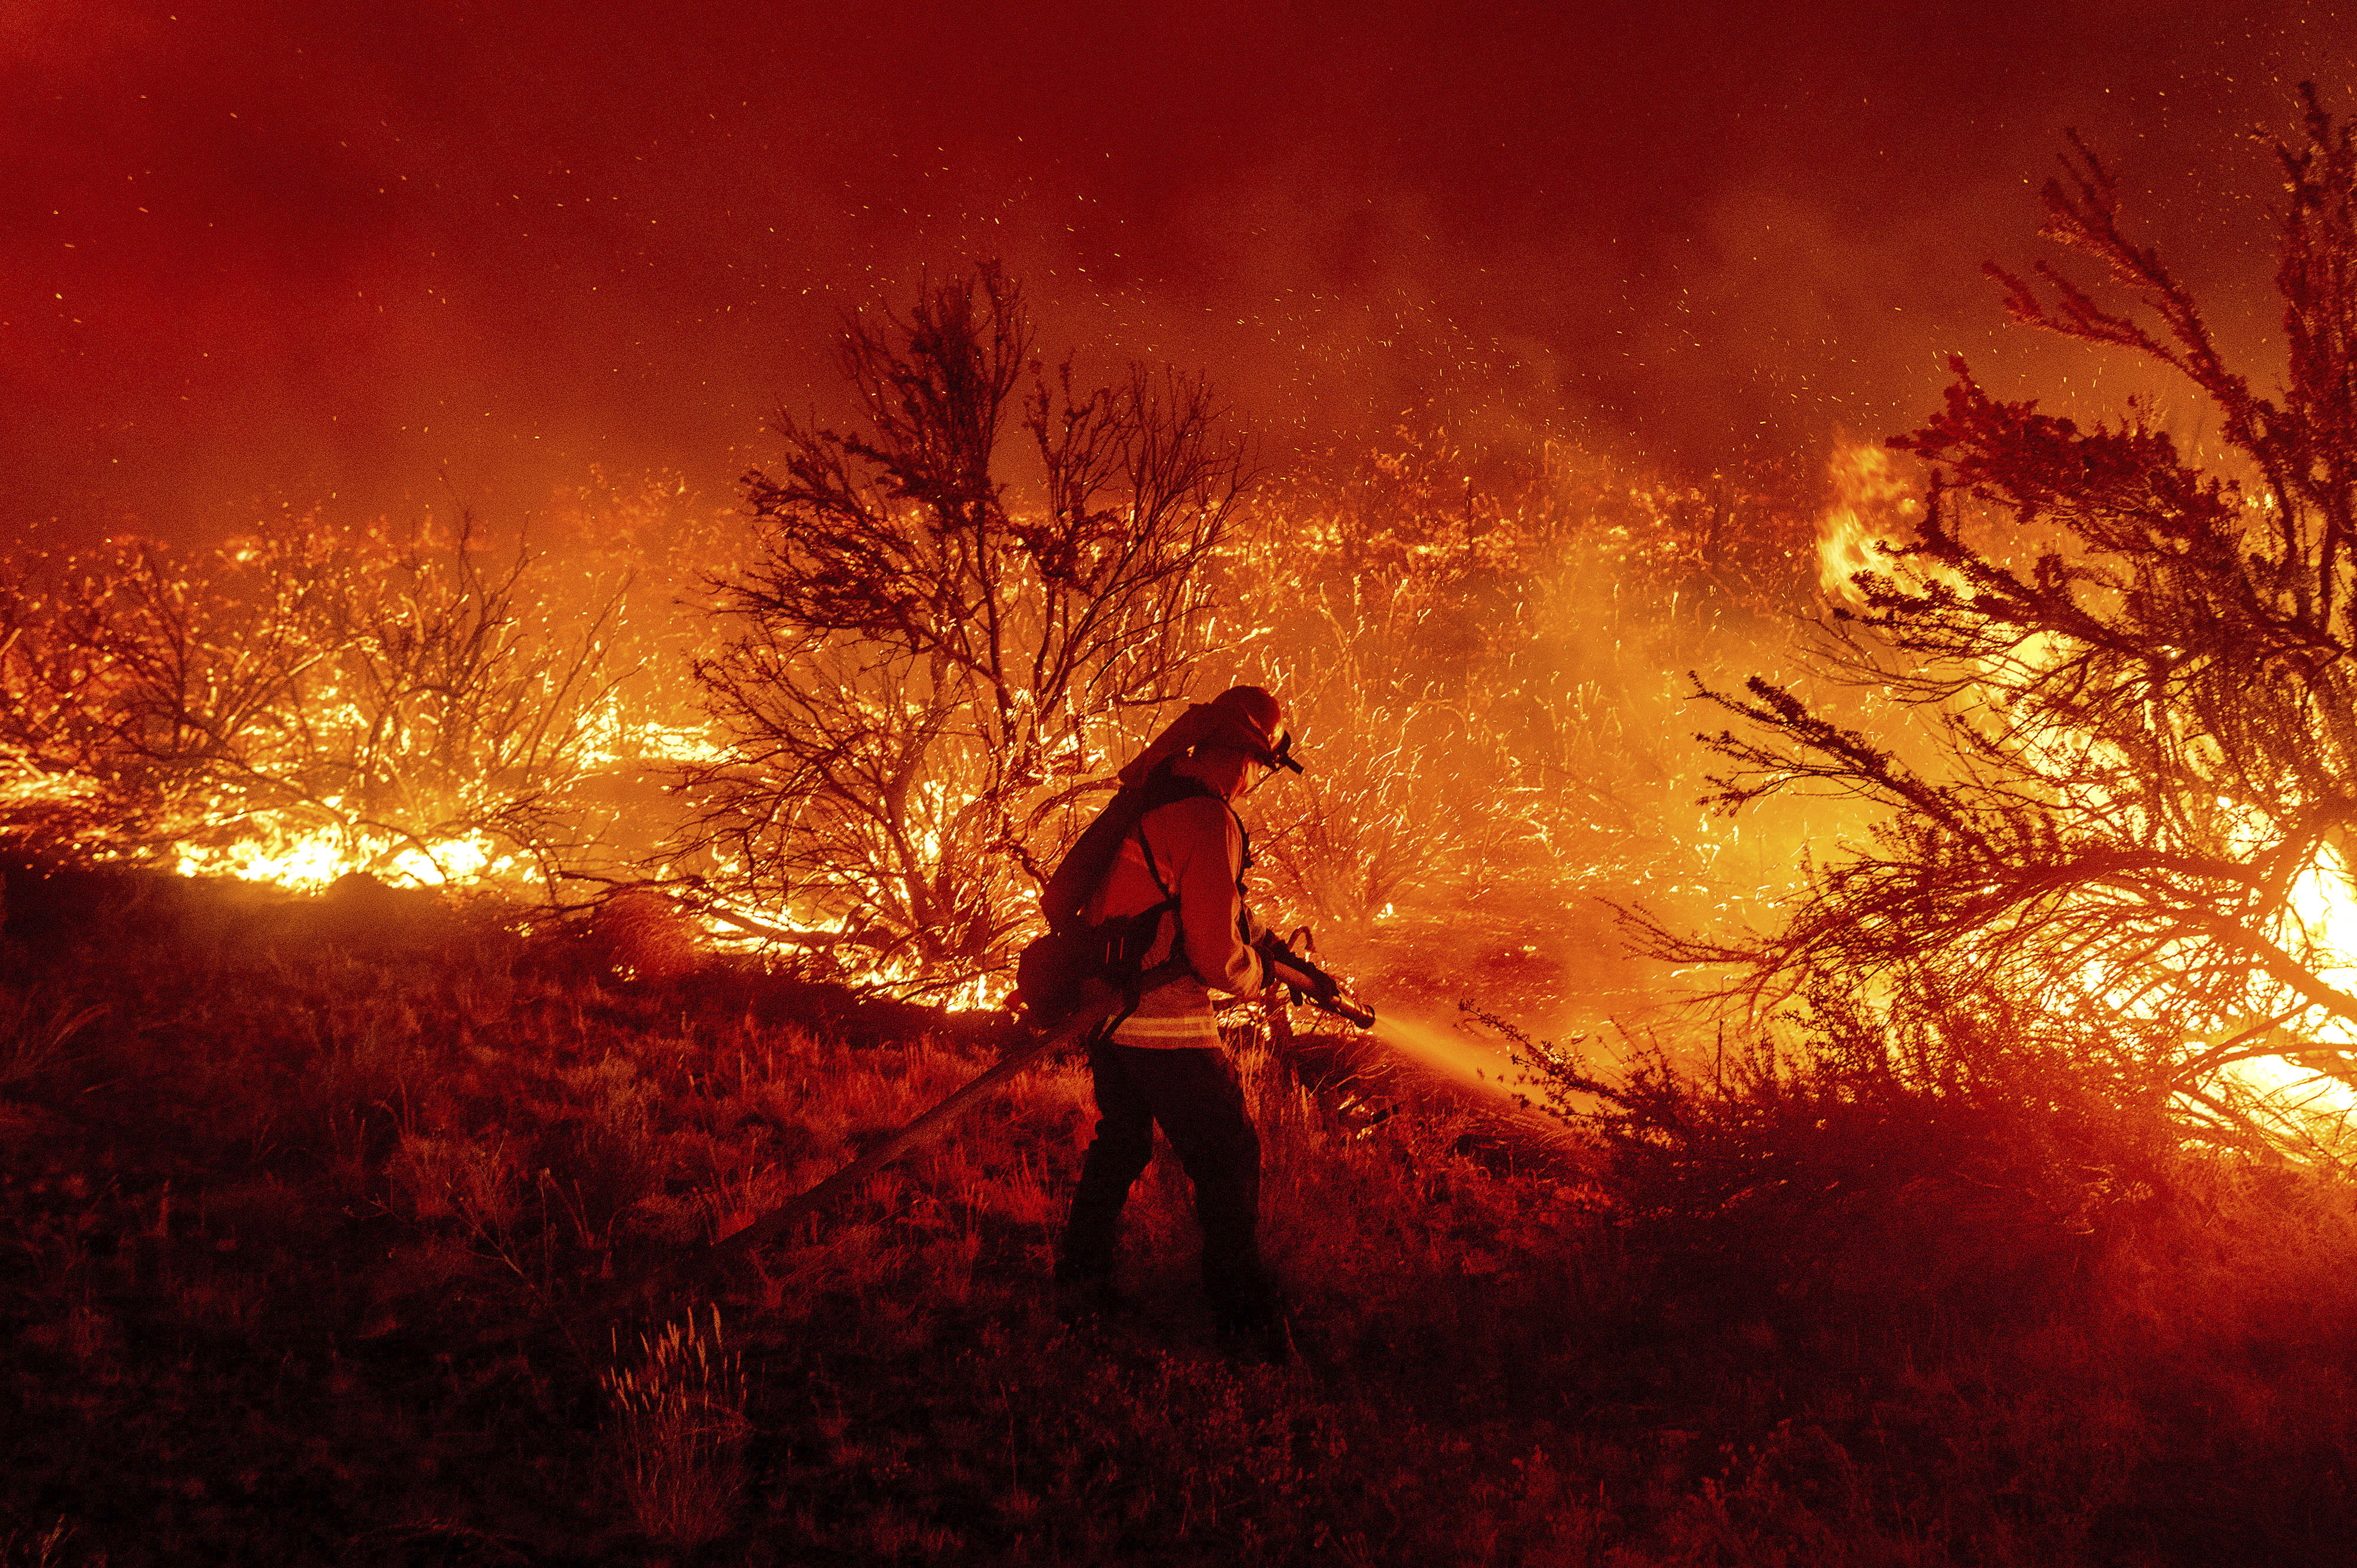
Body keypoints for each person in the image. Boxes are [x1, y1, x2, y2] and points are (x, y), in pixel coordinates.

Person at [1053, 685, 1318, 1361]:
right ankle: (1243, 1319)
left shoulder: (1156, 797)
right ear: (1251, 757)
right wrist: (1259, 978)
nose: (1259, 782)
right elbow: (1213, 955)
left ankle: (1079, 1280)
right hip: (1162, 1024)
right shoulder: (1207, 817)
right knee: (1229, 1155)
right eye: (1264, 769)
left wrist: (1267, 956)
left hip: (1110, 1015)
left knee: (1123, 1144)